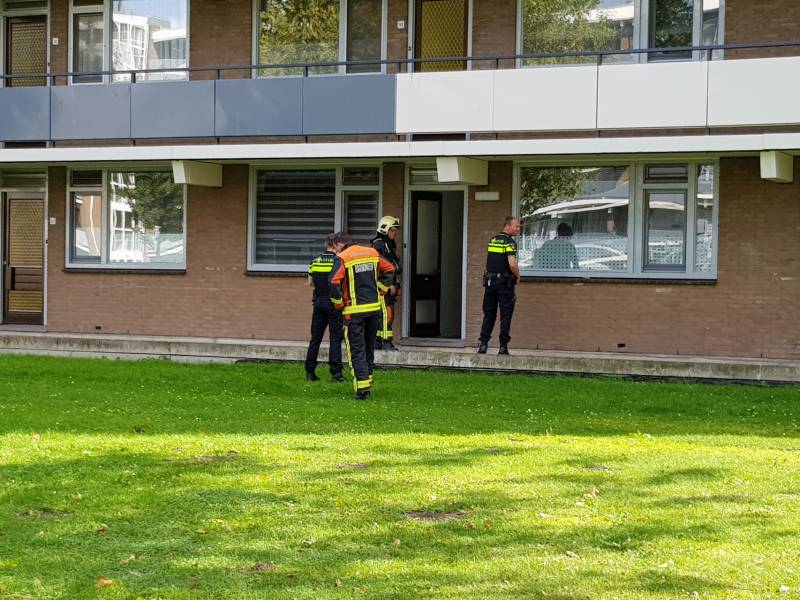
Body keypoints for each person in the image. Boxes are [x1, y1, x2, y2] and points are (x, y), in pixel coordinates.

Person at [330, 237, 396, 400]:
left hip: (354, 312)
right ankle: (368, 380)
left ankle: (362, 388)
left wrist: (339, 304)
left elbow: (333, 282)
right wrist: (382, 288)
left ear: (343, 247)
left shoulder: (344, 257)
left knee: (356, 349)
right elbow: (390, 269)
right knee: (368, 347)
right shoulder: (372, 252)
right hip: (374, 310)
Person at [304, 233, 346, 382]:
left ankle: (310, 372)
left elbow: (310, 283)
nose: (343, 247)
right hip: (334, 303)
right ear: (335, 245)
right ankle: (336, 374)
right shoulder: (338, 262)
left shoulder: (315, 261)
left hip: (318, 302)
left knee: (315, 337)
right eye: (341, 244)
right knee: (335, 338)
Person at [478, 216, 521, 356]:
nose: (518, 229)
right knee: (505, 315)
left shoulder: (493, 240)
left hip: (490, 283)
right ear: (507, 226)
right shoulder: (509, 242)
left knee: (489, 314)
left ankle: (483, 345)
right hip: (504, 283)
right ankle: (503, 347)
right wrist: (518, 276)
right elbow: (512, 264)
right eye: (516, 226)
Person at [370, 216, 402, 351]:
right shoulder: (380, 245)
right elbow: (384, 267)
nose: (395, 233)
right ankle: (386, 342)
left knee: (384, 313)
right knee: (386, 313)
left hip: (386, 284)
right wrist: (389, 285)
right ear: (386, 230)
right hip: (383, 286)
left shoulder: (386, 244)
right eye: (393, 230)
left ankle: (377, 341)